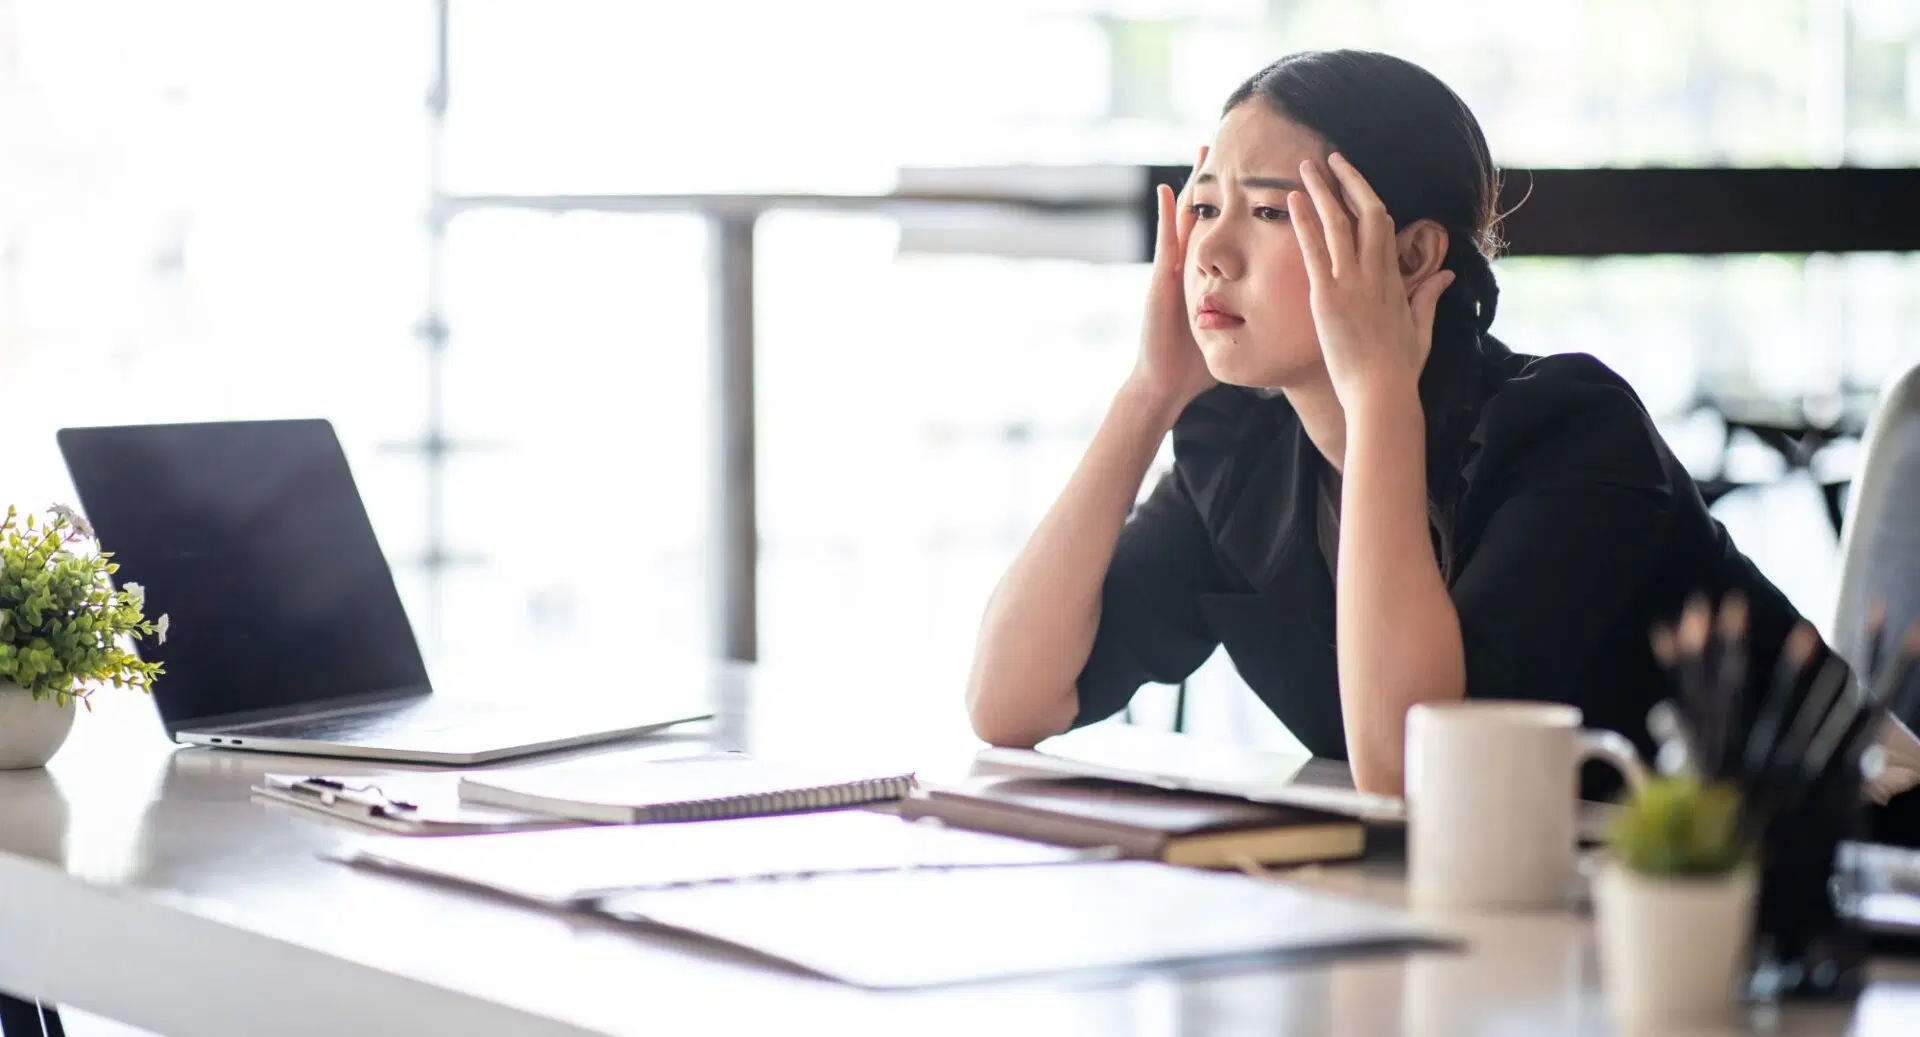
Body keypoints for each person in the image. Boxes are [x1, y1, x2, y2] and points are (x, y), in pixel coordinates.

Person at [962, 49, 1858, 802]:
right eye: (1203, 205)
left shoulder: (1574, 431)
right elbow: (1010, 700)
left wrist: (1379, 394)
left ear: (1414, 252)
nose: (1212, 252)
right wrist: (1148, 394)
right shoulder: (1237, 446)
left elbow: (1413, 773)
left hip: (1836, 880)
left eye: (1270, 211)